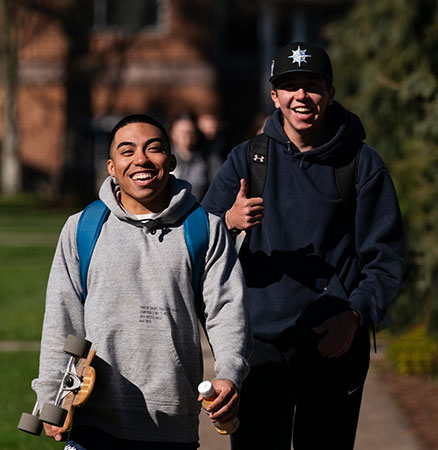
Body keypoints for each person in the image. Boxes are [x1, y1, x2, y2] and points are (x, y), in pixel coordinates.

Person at [202, 41, 405, 449]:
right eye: (289, 86)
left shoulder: (362, 164)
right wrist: (227, 221)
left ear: (329, 93)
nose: (302, 96)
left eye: (312, 85)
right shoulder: (247, 159)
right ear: (274, 96)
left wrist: (354, 313)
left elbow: (385, 260)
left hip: (334, 344)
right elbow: (196, 244)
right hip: (259, 345)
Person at [32, 114, 252, 449]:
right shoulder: (82, 228)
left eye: (154, 149)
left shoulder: (205, 228)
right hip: (92, 418)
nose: (141, 160)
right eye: (127, 150)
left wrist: (229, 374)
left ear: (172, 160)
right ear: (111, 165)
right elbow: (63, 318)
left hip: (172, 424)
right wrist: (51, 395)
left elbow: (226, 311)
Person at [170, 112, 222, 201]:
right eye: (181, 132)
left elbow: (219, 187)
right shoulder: (164, 158)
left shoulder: (209, 159)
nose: (186, 136)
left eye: (190, 132)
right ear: (173, 133)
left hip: (200, 210)